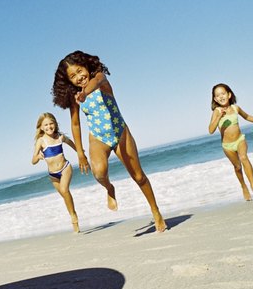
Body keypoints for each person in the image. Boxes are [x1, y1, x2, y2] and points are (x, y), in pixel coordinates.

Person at [51, 50, 167, 233]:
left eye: (79, 71)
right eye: (72, 76)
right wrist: (80, 153)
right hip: (98, 137)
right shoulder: (74, 97)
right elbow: (75, 124)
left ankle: (156, 211)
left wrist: (85, 93)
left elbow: (97, 82)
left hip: (120, 131)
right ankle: (109, 188)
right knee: (99, 173)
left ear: (86, 66)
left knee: (138, 176)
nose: (78, 77)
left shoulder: (99, 77)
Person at [208, 83, 253, 201]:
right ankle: (244, 186)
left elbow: (247, 116)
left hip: (240, 140)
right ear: (215, 99)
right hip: (227, 146)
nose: (221, 97)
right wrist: (219, 117)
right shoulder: (217, 111)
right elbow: (210, 130)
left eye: (223, 93)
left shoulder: (235, 108)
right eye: (217, 95)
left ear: (229, 95)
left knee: (244, 157)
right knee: (237, 167)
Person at [31, 112, 80, 233]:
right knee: (64, 196)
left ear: (55, 124)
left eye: (51, 123)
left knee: (64, 190)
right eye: (46, 125)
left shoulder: (60, 137)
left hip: (65, 168)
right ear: (41, 127)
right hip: (53, 174)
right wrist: (38, 157)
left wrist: (79, 152)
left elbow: (71, 143)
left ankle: (74, 217)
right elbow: (33, 161)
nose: (49, 127)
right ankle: (72, 213)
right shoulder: (41, 141)